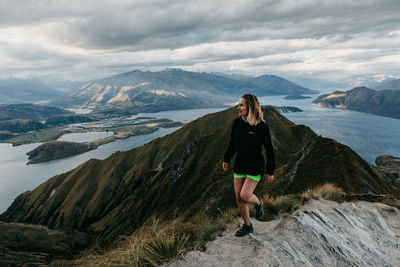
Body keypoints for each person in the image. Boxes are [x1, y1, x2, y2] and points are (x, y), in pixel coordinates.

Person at [222, 94, 275, 237]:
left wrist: (270, 171)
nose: (238, 108)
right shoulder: (237, 123)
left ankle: (258, 203)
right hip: (240, 164)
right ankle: (247, 225)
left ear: (250, 107)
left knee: (245, 195)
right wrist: (226, 159)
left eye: (242, 105)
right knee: (238, 197)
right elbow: (232, 144)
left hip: (255, 166)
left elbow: (269, 149)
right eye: (239, 105)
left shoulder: (262, 126)